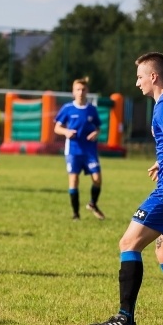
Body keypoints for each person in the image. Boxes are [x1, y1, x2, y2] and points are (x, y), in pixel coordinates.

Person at [88, 52, 163, 325]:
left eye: (140, 76)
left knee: (128, 243)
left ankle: (125, 318)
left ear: (153, 77)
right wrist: (162, 161)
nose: (137, 82)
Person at [54, 77, 105, 220]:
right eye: (78, 89)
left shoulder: (91, 109)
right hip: (73, 150)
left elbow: (98, 128)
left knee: (97, 179)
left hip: (89, 150)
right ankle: (76, 214)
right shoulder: (67, 108)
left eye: (83, 89)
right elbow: (57, 128)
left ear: (87, 91)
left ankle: (93, 204)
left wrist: (96, 133)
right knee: (74, 180)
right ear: (73, 92)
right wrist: (66, 132)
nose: (81, 92)